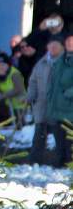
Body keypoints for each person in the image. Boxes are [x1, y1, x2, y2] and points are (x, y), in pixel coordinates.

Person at [27, 37, 63, 165]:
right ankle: (34, 161)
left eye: (56, 45)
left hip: (59, 105)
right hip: (41, 104)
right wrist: (30, 95)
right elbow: (33, 81)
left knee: (60, 135)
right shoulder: (41, 63)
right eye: (51, 45)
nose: (53, 47)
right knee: (39, 134)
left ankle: (62, 162)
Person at [43, 34, 73, 168]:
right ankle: (60, 164)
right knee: (59, 139)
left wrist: (69, 93)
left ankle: (68, 166)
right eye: (68, 41)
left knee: (69, 140)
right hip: (55, 108)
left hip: (69, 108)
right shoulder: (59, 60)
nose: (70, 43)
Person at [0, 53, 26, 127]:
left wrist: (3, 95)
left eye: (3, 65)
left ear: (8, 65)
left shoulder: (14, 74)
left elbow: (19, 89)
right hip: (7, 104)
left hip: (19, 105)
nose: (1, 67)